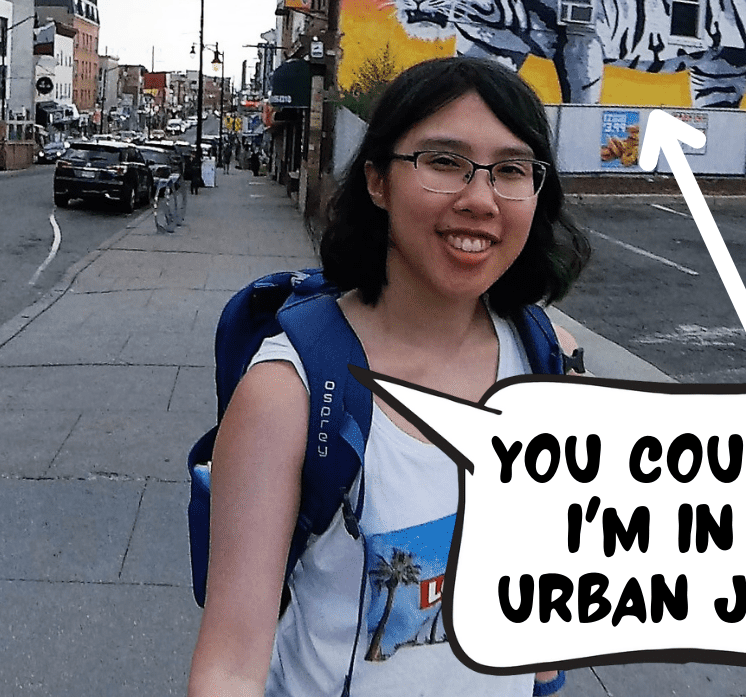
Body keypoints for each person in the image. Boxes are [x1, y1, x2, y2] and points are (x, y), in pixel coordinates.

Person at [188, 56, 590, 697]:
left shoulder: (548, 359)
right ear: (377, 179)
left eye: (511, 170)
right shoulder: (290, 394)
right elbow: (230, 669)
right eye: (444, 162)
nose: (480, 199)